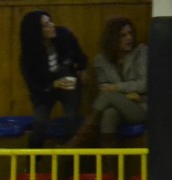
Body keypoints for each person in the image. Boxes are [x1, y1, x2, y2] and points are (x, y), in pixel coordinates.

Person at [63, 17, 147, 148]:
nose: (129, 38)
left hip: (140, 106)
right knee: (109, 114)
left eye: (130, 33)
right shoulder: (101, 60)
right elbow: (104, 88)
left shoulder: (141, 52)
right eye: (123, 35)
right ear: (113, 38)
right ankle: (109, 161)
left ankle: (77, 142)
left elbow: (144, 84)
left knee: (108, 95)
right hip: (119, 105)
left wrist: (116, 87)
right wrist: (124, 93)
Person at [19, 10, 88, 149]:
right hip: (44, 90)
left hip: (67, 82)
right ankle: (33, 159)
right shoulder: (28, 55)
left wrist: (83, 70)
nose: (52, 25)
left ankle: (69, 155)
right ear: (36, 31)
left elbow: (80, 56)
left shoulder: (65, 35)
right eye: (46, 25)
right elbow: (33, 85)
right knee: (39, 122)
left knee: (71, 118)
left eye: (50, 21)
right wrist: (53, 85)